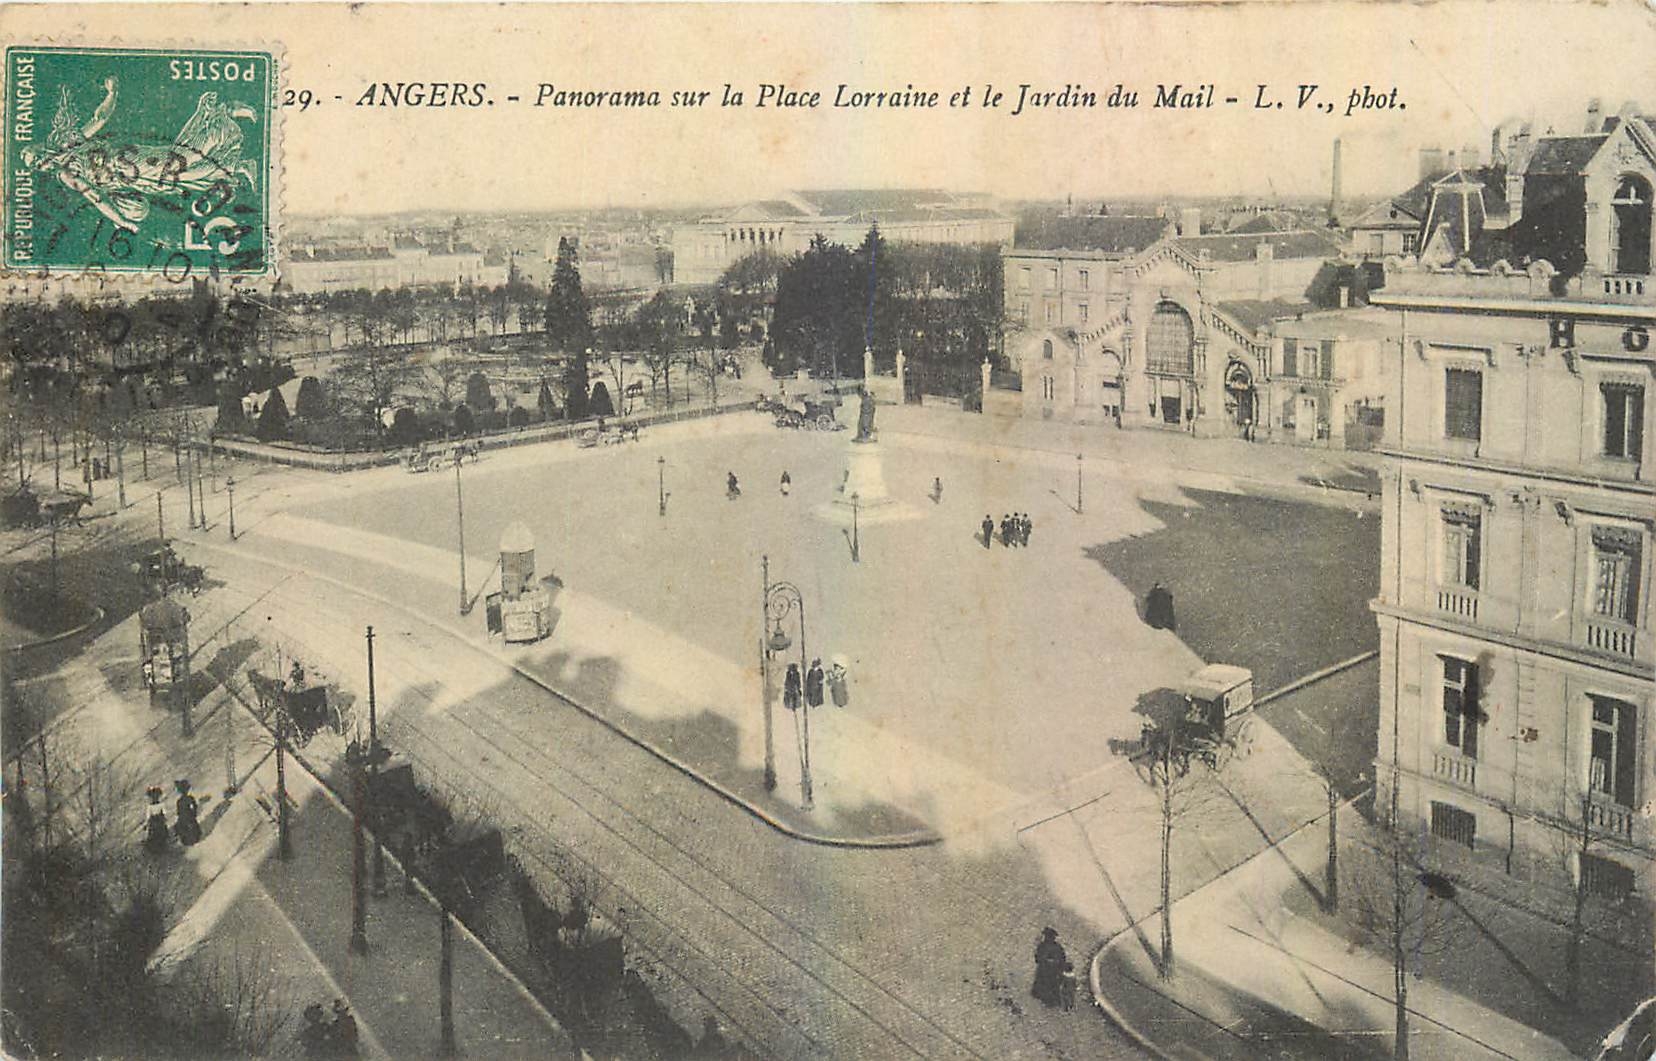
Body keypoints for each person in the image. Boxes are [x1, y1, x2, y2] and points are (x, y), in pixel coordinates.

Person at [1032, 927, 1068, 1007]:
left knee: (1051, 984)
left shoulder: (1056, 947)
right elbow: (1038, 958)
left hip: (1052, 972)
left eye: (1049, 936)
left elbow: (1062, 959)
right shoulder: (1043, 946)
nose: (1048, 938)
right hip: (1046, 971)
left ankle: (1050, 999)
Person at [173, 779, 202, 847]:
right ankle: (194, 838)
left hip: (183, 817)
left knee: (180, 827)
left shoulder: (179, 801)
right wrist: (193, 814)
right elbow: (194, 806)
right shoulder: (190, 798)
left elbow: (178, 812)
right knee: (192, 826)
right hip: (190, 816)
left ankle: (185, 840)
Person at [143, 785, 170, 854]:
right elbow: (148, 816)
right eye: (153, 796)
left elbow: (164, 813)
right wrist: (146, 824)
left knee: (161, 832)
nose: (154, 798)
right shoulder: (149, 806)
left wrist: (164, 819)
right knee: (153, 833)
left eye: (156, 796)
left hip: (159, 820)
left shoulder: (161, 804)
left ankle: (163, 845)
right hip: (153, 821)